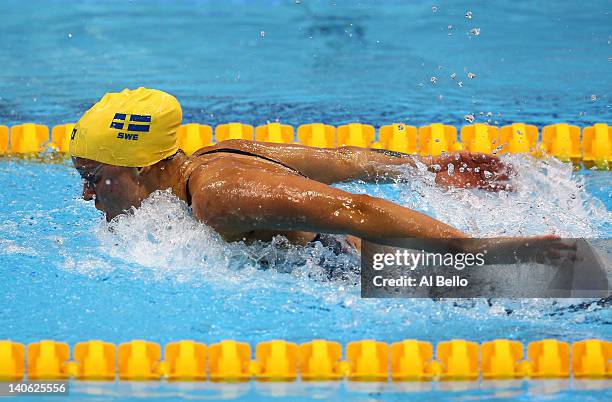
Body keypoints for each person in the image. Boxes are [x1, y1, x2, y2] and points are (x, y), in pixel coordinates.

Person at [70, 88, 551, 256]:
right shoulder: (217, 155)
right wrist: (427, 167)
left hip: (392, 274)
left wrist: (477, 253)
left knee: (573, 284)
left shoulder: (219, 194)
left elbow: (355, 208)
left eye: (93, 177)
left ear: (144, 164)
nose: (89, 196)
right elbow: (344, 162)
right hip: (370, 262)